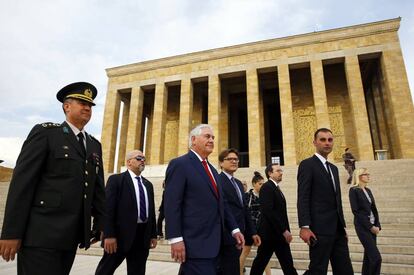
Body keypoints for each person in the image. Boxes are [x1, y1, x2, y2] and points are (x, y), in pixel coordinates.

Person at [0, 82, 106, 275]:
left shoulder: (93, 145)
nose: (87, 108)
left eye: (90, 105)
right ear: (66, 106)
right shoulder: (47, 134)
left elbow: (97, 189)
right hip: (41, 235)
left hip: (70, 237)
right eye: (81, 103)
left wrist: (101, 223)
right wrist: (11, 233)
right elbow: (22, 184)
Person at [164, 124, 244, 275]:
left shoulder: (213, 170)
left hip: (216, 244)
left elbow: (222, 203)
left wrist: (234, 229)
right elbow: (172, 204)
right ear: (194, 140)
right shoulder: (180, 164)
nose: (212, 140)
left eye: (213, 137)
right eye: (207, 136)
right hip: (194, 244)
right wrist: (175, 238)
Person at [297, 128, 354, 275]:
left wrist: (342, 226)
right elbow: (303, 197)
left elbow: (337, 200)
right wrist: (304, 226)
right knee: (318, 270)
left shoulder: (334, 169)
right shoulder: (307, 165)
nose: (327, 143)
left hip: (337, 230)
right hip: (319, 230)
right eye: (322, 140)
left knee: (345, 270)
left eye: (330, 140)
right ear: (315, 142)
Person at [95, 150, 157, 275]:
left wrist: (153, 234)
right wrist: (109, 234)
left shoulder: (148, 185)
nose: (143, 161)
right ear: (129, 162)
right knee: (106, 270)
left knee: (138, 271)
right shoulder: (116, 180)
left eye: (144, 158)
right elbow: (108, 209)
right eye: (139, 158)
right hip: (119, 236)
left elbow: (151, 212)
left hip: (142, 237)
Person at [217, 148, 260, 275]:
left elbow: (245, 209)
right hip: (225, 235)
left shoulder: (238, 184)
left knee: (233, 267)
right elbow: (223, 209)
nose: (234, 161)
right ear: (221, 163)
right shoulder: (218, 181)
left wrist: (252, 232)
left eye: (236, 159)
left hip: (240, 235)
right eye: (229, 159)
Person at [250, 164, 297, 275]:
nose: (281, 173)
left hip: (278, 235)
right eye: (278, 171)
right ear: (270, 173)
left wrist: (285, 230)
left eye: (281, 170)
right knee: (260, 263)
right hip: (270, 235)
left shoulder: (275, 187)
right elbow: (269, 211)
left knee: (287, 264)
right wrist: (284, 230)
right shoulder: (267, 187)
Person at [349, 168, 381, 275]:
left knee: (368, 256)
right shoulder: (353, 191)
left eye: (368, 173)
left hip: (373, 225)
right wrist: (370, 226)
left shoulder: (368, 190)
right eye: (365, 174)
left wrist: (377, 225)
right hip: (363, 227)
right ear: (359, 176)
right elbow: (356, 211)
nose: (368, 176)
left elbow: (373, 209)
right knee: (376, 258)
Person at [239, 172, 271, 275]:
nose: (262, 185)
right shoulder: (247, 196)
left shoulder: (265, 196)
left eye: (263, 183)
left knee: (264, 254)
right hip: (250, 229)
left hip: (262, 229)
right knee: (245, 252)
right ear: (254, 184)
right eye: (260, 184)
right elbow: (244, 212)